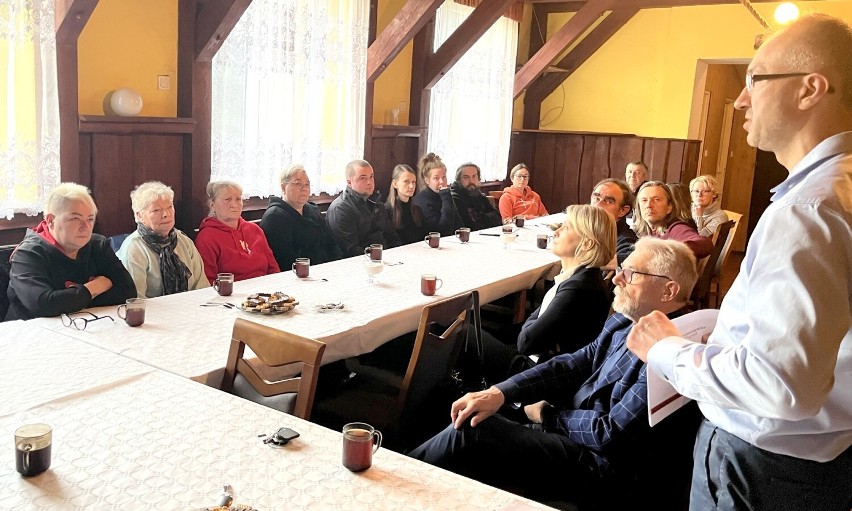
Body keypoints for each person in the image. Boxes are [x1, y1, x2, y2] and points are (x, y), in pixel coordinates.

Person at [626, 14, 852, 511]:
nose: (741, 98)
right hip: (823, 456)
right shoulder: (839, 187)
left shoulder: (806, 211)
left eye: (756, 79)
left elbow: (782, 386)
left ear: (810, 89)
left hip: (761, 465)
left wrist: (666, 351)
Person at [408, 238, 698, 505]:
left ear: (669, 290)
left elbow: (609, 433)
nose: (618, 278)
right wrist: (498, 392)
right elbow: (571, 364)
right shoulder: (626, 321)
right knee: (457, 398)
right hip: (571, 428)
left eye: (632, 273)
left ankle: (388, 486)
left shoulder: (673, 353)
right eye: (622, 268)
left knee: (472, 430)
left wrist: (546, 416)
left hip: (599, 468)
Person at [480, 205, 616, 381]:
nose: (557, 232)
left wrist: (530, 326)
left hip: (538, 374)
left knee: (463, 333)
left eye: (566, 227)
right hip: (545, 364)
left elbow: (526, 343)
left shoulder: (578, 288)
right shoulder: (582, 277)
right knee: (483, 329)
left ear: (587, 243)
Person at [5, 183, 136, 320]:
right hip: (31, 333)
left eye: (90, 219)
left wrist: (69, 301)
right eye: (75, 218)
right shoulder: (28, 254)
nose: (85, 227)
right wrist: (93, 288)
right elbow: (43, 305)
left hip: (85, 324)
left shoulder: (98, 245)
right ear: (51, 221)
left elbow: (128, 291)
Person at [117, 181, 208, 298]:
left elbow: (202, 288)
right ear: (139, 215)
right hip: (151, 313)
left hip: (190, 310)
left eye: (170, 207)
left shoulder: (183, 240)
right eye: (156, 210)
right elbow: (135, 300)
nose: (166, 214)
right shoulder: (134, 248)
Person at [259, 164, 342, 270]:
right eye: (298, 184)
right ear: (283, 187)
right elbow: (284, 261)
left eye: (307, 184)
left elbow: (331, 243)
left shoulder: (313, 209)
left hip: (325, 270)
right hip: (299, 275)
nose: (304, 189)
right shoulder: (274, 217)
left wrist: (337, 265)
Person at [195, 181, 280, 283]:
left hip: (266, 292)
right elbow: (209, 281)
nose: (234, 205)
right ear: (212, 205)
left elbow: (274, 269)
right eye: (227, 199)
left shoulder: (255, 230)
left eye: (238, 199)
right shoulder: (206, 237)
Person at [326, 159, 401, 257]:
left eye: (371, 177)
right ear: (349, 182)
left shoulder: (377, 203)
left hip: (383, 258)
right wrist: (379, 259)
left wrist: (399, 255)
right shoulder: (341, 209)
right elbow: (351, 250)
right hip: (356, 263)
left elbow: (391, 237)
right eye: (363, 178)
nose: (369, 182)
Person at [633, 181, 713, 259]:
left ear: (669, 207)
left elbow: (704, 244)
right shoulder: (647, 231)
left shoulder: (676, 227)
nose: (649, 205)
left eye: (656, 200)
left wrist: (663, 249)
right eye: (644, 200)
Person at [411, 153, 463, 236]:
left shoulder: (446, 195)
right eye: (436, 178)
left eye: (444, 177)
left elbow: (459, 225)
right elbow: (442, 230)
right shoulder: (421, 201)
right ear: (427, 180)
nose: (442, 181)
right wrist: (446, 198)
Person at [590, 178, 637, 265]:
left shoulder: (626, 239)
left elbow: (632, 258)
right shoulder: (583, 228)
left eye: (608, 201)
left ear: (622, 211)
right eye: (596, 198)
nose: (598, 205)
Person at [449, 162, 501, 231]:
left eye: (474, 176)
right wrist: (485, 219)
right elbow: (469, 226)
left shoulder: (478, 194)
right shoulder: (454, 198)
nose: (471, 181)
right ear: (459, 180)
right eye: (466, 177)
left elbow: (497, 217)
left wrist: (479, 218)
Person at [384, 164, 427, 245]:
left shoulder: (417, 210)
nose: (411, 186)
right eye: (406, 181)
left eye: (413, 182)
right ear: (395, 184)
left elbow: (424, 236)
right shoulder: (387, 210)